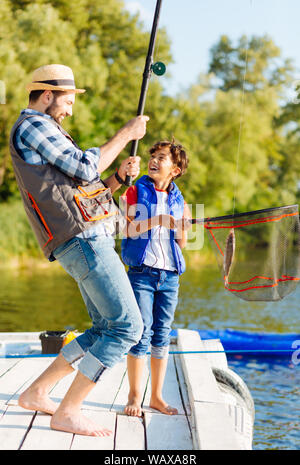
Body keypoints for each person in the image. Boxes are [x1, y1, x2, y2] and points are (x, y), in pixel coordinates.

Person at [9, 64, 149, 437]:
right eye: (68, 101)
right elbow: (85, 167)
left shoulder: (47, 130)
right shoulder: (34, 124)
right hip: (84, 241)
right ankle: (69, 410)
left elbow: (82, 189)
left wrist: (117, 177)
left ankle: (38, 391)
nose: (70, 109)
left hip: (83, 238)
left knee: (105, 327)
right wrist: (127, 133)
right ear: (48, 94)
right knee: (127, 327)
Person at [120, 140, 190, 417]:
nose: (155, 161)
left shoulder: (180, 199)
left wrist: (182, 226)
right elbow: (128, 228)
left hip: (170, 275)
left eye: (162, 158)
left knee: (162, 335)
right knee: (141, 333)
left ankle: (157, 397)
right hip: (142, 274)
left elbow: (182, 242)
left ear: (175, 170)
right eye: (154, 156)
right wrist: (158, 220)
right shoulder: (135, 190)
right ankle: (135, 397)